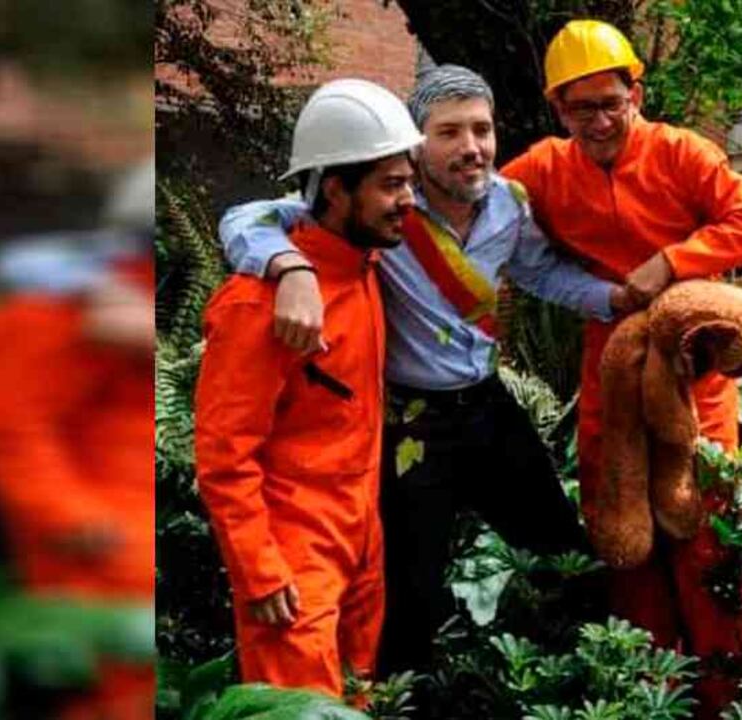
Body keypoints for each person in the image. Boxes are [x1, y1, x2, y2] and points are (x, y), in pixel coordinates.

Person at [218, 64, 631, 677]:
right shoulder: (380, 206)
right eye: (449, 132)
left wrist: (617, 299)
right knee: (409, 594)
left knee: (563, 552)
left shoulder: (510, 206)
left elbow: (542, 273)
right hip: (411, 421)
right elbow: (245, 218)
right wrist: (289, 266)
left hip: (487, 403)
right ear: (415, 145)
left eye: (482, 130)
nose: (472, 147)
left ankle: (587, 683)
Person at [499, 20, 742, 717]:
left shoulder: (681, 152)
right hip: (609, 366)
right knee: (621, 533)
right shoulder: (540, 169)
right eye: (582, 108)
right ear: (558, 109)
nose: (600, 121)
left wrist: (673, 262)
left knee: (706, 537)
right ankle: (646, 696)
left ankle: (724, 699)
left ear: (636, 93)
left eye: (612, 102)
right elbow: (465, 203)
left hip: (696, 373)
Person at [193, 79, 421, 698]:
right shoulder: (257, 305)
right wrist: (259, 569)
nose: (408, 200)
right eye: (391, 185)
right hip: (293, 561)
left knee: (358, 700)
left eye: (408, 182)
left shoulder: (365, 262)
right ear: (337, 190)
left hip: (361, 542)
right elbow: (224, 454)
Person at [0, 158, 157, 720]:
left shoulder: (138, 301)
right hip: (106, 550)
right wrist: (75, 519)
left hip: (140, 532)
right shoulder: (64, 307)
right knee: (111, 691)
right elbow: (1, 427)